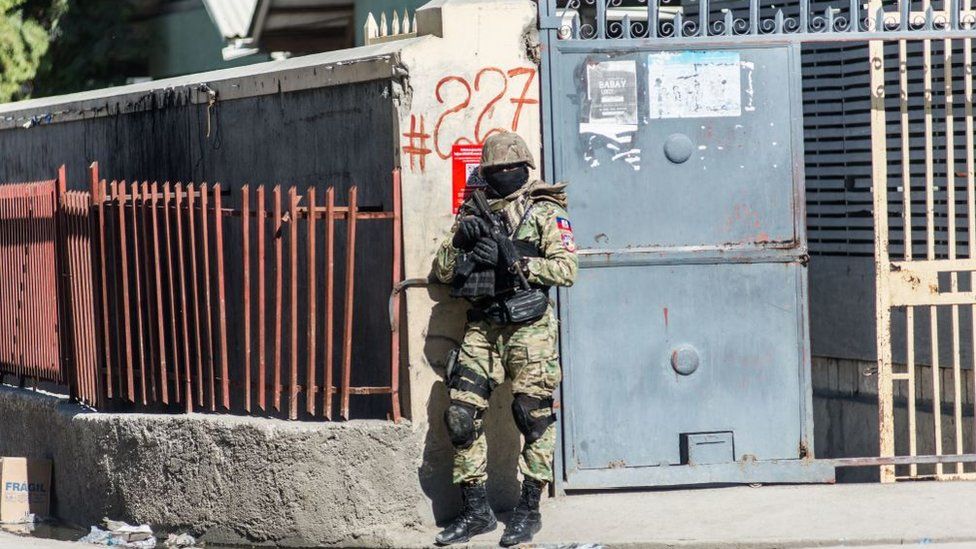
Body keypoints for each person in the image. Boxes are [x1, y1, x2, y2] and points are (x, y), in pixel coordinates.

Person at [431, 131, 578, 546]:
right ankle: (477, 511)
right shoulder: (473, 213)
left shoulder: (544, 212)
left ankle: (528, 510)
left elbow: (566, 270)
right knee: (459, 415)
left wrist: (515, 261)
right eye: (494, 170)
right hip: (483, 326)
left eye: (511, 169)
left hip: (530, 330)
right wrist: (461, 245)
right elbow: (442, 272)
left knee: (533, 416)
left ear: (526, 169)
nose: (503, 175)